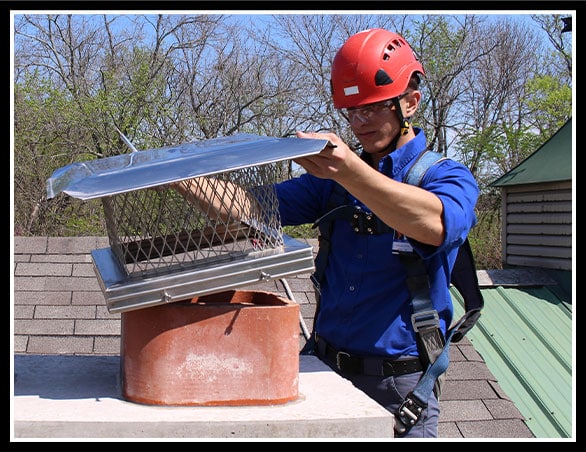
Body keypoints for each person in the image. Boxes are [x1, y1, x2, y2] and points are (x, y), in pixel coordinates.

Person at [175, 28, 479, 438]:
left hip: (399, 387)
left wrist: (352, 171)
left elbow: (436, 224)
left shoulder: (444, 176)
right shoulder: (331, 182)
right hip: (323, 369)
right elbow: (249, 208)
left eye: (371, 108)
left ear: (410, 101)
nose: (359, 122)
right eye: (351, 112)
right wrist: (175, 174)